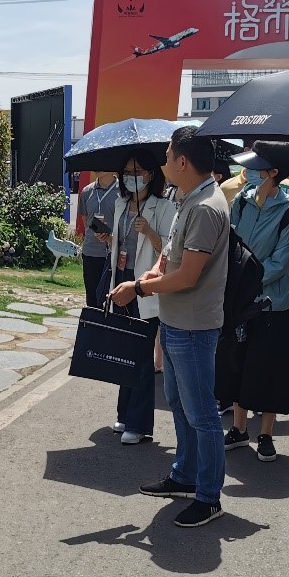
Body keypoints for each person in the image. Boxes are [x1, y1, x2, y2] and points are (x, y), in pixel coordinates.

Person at [112, 127, 229, 527]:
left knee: (203, 414)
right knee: (180, 404)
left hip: (193, 325)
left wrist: (139, 287)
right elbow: (172, 255)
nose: (162, 162)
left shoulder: (206, 206)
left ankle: (208, 496)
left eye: (166, 155)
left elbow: (189, 275)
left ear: (182, 161)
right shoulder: (188, 198)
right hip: (177, 321)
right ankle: (185, 475)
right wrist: (153, 271)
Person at [218, 142, 289, 462]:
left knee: (269, 367)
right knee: (237, 361)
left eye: (256, 167)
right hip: (241, 297)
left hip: (272, 302)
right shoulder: (242, 200)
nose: (248, 172)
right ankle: (239, 429)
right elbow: (231, 241)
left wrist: (246, 278)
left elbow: (282, 261)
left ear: (273, 173)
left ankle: (266, 433)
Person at [105, 150, 175, 445]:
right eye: (127, 172)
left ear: (151, 174)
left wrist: (149, 231)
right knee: (125, 351)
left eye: (138, 172)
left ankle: (140, 423)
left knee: (143, 356)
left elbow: (170, 250)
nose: (131, 177)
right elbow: (122, 245)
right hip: (121, 279)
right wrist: (109, 239)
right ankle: (124, 413)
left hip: (145, 285)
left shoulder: (164, 207)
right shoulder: (120, 203)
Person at [77, 171, 119, 307]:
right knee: (92, 298)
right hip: (91, 252)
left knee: (112, 299)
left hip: (115, 253)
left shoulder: (123, 192)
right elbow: (86, 220)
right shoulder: (87, 191)